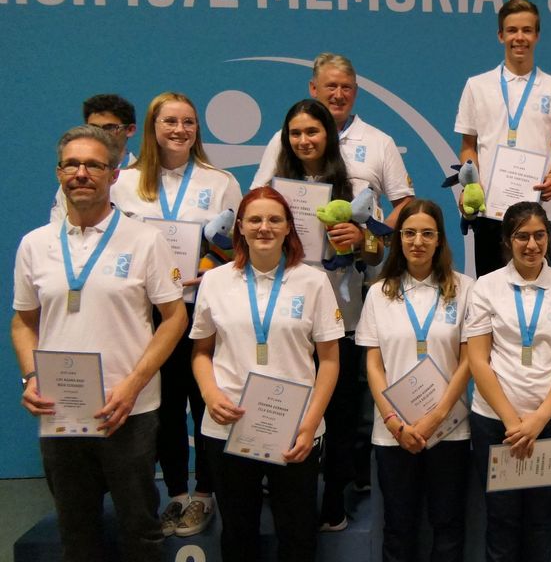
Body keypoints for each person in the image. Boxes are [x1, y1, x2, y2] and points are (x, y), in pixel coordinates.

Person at [13, 124, 187, 562]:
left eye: (94, 164)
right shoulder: (34, 245)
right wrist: (30, 377)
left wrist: (133, 385)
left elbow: (174, 318)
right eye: (71, 164)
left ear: (113, 175)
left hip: (128, 409)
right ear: (58, 173)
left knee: (140, 531)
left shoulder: (145, 239)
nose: (81, 173)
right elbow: (21, 323)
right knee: (77, 533)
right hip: (60, 410)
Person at [112, 92, 243, 537]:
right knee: (164, 409)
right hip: (149, 316)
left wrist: (209, 268)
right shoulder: (124, 182)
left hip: (204, 309)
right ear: (152, 127)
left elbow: (236, 245)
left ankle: (205, 494)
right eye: (170, 121)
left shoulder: (219, 180)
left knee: (206, 403)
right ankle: (175, 495)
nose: (180, 130)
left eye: (188, 122)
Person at [191, 186, 343, 562]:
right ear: (239, 226)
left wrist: (310, 424)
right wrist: (210, 395)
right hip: (228, 426)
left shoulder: (312, 281)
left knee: (297, 534)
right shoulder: (215, 280)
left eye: (275, 219)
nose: (264, 227)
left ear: (289, 227)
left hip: (295, 429)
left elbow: (330, 361)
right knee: (238, 533)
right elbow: (201, 352)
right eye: (255, 219)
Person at [267, 98, 379, 530]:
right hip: (284, 319)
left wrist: (361, 239)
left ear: (328, 136)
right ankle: (286, 503)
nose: (304, 140)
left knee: (340, 416)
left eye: (312, 132)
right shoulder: (276, 189)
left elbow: (378, 254)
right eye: (295, 133)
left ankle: (334, 500)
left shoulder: (352, 186)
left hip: (341, 317)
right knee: (285, 408)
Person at [463, 201, 551, 561]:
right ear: (507, 240)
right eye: (522, 236)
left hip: (550, 422)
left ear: (548, 239)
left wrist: (537, 420)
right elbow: (478, 360)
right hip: (495, 423)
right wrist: (512, 421)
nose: (532, 245)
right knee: (500, 520)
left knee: (539, 520)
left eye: (539, 235)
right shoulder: (486, 287)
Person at [357, 198, 474, 562]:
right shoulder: (379, 292)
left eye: (427, 233)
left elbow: (470, 360)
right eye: (409, 233)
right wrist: (394, 421)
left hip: (449, 428)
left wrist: (436, 416)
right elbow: (374, 365)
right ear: (398, 239)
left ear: (440, 239)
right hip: (394, 432)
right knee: (399, 527)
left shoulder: (465, 288)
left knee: (448, 526)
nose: (417, 241)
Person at [456, 0, 551, 276]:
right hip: (490, 212)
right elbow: (467, 147)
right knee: (489, 293)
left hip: (536, 212)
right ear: (501, 35)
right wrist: (471, 185)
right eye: (512, 30)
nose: (519, 37)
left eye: (526, 30)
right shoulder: (477, 86)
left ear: (536, 35)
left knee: (538, 292)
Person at [251, 52, 415, 224]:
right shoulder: (285, 140)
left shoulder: (380, 142)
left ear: (356, 91)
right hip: (295, 248)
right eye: (331, 86)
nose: (338, 95)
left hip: (359, 250)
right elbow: (257, 196)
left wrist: (374, 237)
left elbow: (405, 203)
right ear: (313, 88)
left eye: (346, 87)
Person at [50, 93, 138, 223]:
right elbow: (59, 228)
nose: (101, 134)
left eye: (109, 128)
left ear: (130, 130)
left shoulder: (145, 179)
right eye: (94, 128)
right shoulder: (76, 179)